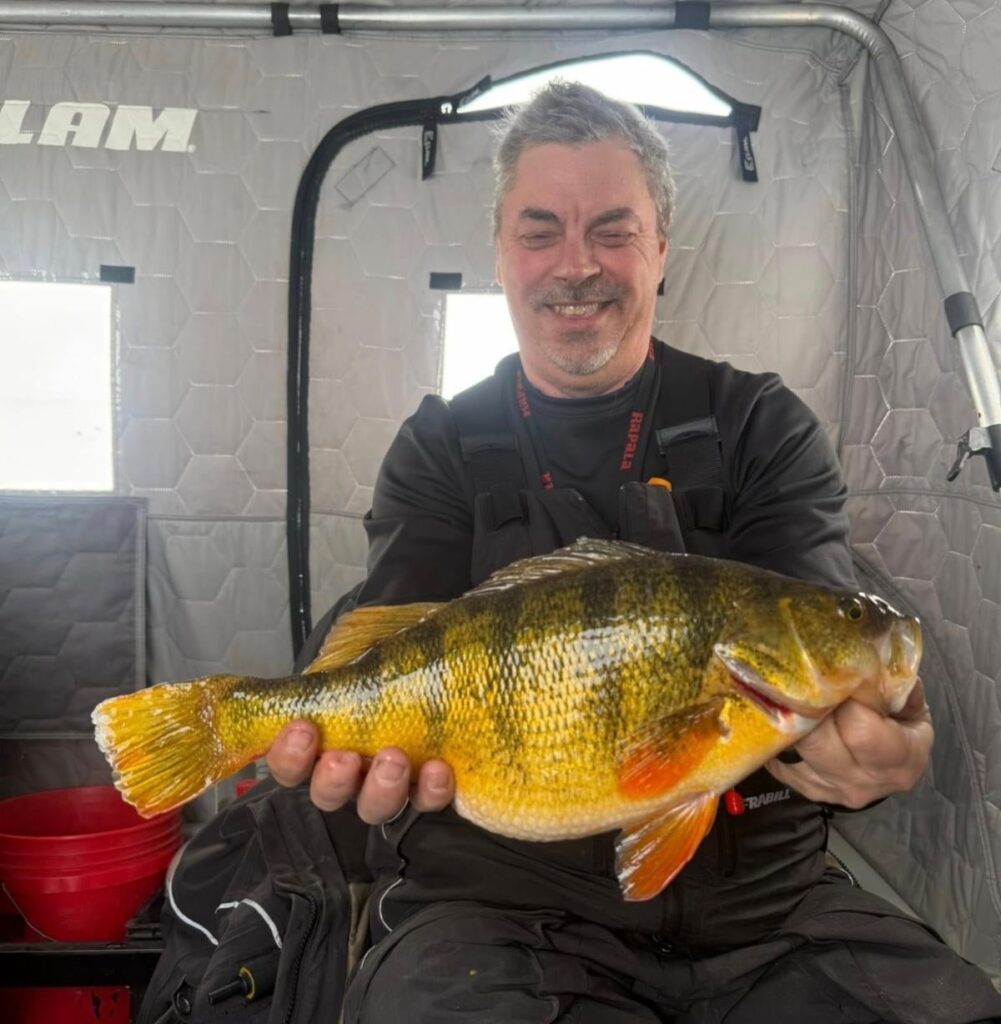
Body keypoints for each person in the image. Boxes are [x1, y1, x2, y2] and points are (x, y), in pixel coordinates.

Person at [267, 82, 1001, 1022]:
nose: (575, 265)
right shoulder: (439, 448)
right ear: (500, 251)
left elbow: (829, 660)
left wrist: (882, 750)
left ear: (661, 248)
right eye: (540, 231)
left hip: (768, 913)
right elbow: (381, 655)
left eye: (612, 231)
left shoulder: (758, 425)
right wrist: (356, 761)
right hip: (499, 915)